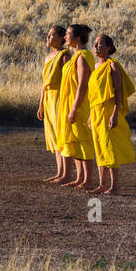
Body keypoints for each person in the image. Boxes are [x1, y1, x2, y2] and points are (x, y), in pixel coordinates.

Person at [88, 34, 136, 194]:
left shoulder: (113, 66)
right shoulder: (95, 67)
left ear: (109, 47)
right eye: (95, 43)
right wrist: (90, 114)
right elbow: (94, 94)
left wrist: (115, 114)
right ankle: (102, 184)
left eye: (100, 44)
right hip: (96, 112)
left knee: (110, 147)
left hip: (109, 111)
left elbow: (118, 93)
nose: (96, 47)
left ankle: (114, 186)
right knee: (99, 147)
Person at [58, 24, 97, 189]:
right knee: (75, 141)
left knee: (84, 141)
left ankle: (88, 179)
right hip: (71, 103)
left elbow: (83, 84)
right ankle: (80, 177)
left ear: (78, 38)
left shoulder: (82, 56)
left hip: (80, 105)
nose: (65, 37)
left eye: (68, 34)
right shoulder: (75, 56)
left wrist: (74, 108)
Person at [39, 26, 72, 183]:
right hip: (48, 98)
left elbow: (68, 80)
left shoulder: (65, 55)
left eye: (52, 35)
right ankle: (60, 172)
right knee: (53, 135)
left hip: (59, 96)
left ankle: (66, 174)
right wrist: (40, 104)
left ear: (62, 38)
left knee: (62, 134)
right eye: (48, 35)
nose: (48, 38)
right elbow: (43, 83)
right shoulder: (47, 58)